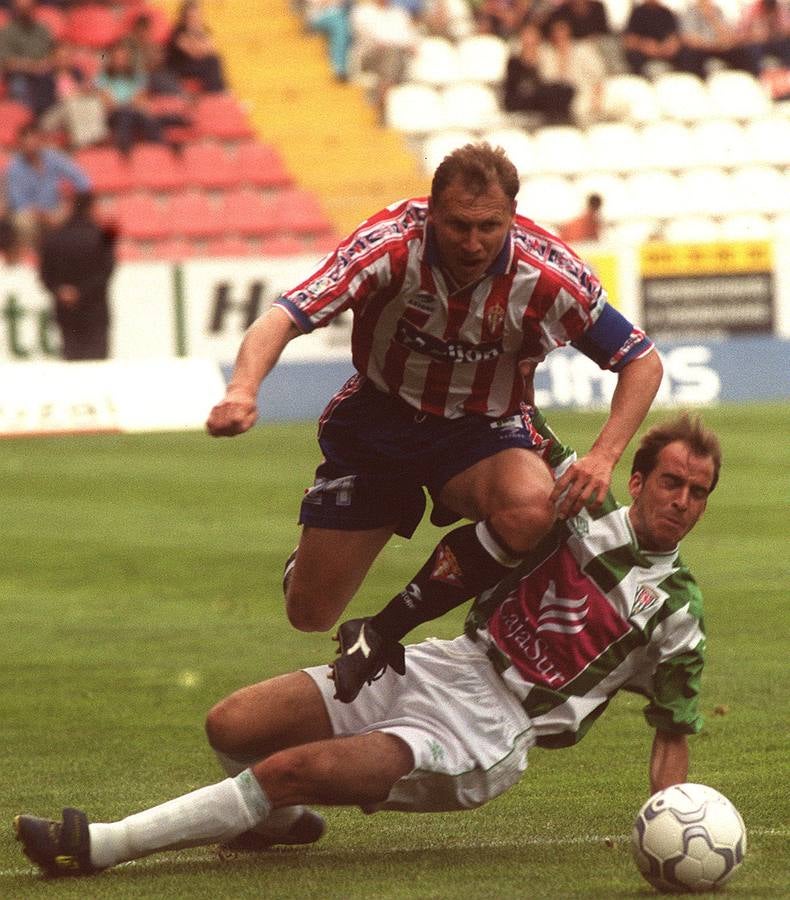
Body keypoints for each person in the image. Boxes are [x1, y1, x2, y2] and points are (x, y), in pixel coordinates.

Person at [13, 411, 722, 877]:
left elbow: (672, 729)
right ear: (636, 478)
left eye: (697, 492)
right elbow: (517, 415)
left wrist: (671, 821)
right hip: (450, 661)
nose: (681, 502)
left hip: (492, 730)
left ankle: (101, 844)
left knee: (287, 767)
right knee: (230, 724)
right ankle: (281, 824)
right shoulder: (579, 499)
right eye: (671, 482)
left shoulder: (678, 609)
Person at [205, 143, 663, 655]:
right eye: (457, 226)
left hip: (481, 430)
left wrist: (603, 457)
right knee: (310, 614)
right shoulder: (389, 245)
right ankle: (309, 559)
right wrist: (242, 389)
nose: (472, 243)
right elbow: (285, 316)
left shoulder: (550, 275)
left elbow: (642, 360)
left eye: (488, 227)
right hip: (381, 419)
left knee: (533, 508)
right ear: (432, 212)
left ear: (512, 216)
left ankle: (384, 633)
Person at [37, 191, 117, 360]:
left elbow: (44, 274)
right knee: (96, 364)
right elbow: (107, 271)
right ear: (91, 208)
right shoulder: (103, 236)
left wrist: (61, 291)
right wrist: (82, 292)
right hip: (95, 311)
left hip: (66, 311)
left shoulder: (53, 238)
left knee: (72, 361)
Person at [3, 121, 91, 248]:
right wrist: (45, 216)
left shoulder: (53, 158)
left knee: (79, 218)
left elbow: (82, 181)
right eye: (26, 140)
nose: (31, 144)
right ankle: (30, 256)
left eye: (34, 139)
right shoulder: (14, 168)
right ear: (20, 143)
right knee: (22, 221)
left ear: (40, 141)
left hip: (56, 210)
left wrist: (70, 206)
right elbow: (19, 204)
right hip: (32, 215)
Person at [503, 21, 577, 124]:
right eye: (526, 35)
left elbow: (551, 80)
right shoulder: (514, 62)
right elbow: (513, 88)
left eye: (533, 35)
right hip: (521, 100)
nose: (529, 39)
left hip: (542, 101)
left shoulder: (546, 58)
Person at [0, 0, 56, 119]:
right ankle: (25, 119)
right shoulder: (7, 32)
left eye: (29, 8)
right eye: (22, 9)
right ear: (15, 10)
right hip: (19, 75)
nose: (26, 12)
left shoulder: (42, 29)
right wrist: (33, 67)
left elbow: (54, 53)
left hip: (44, 73)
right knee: (18, 83)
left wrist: (48, 63)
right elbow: (7, 63)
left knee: (59, 80)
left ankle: (46, 119)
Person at [165, 0, 227, 93]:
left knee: (214, 60)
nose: (194, 18)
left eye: (196, 15)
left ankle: (218, 91)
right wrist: (200, 47)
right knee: (211, 62)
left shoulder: (203, 30)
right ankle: (216, 92)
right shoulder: (178, 31)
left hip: (197, 64)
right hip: (180, 66)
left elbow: (212, 48)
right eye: (191, 16)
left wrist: (198, 40)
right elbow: (192, 52)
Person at [622, 0, 686, 77]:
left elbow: (674, 38)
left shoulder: (667, 13)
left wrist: (664, 48)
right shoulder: (637, 13)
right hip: (644, 54)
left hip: (665, 52)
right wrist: (644, 46)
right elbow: (629, 40)